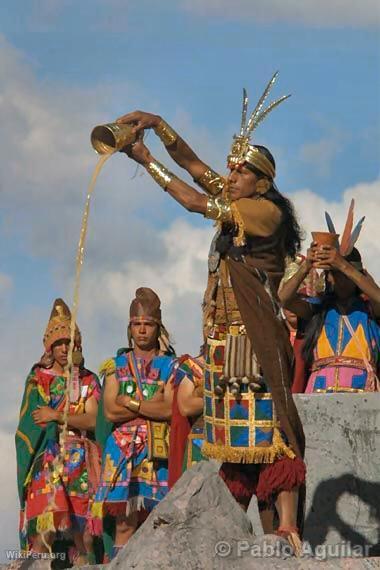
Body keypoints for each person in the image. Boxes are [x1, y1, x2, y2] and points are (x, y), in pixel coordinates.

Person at [117, 73, 306, 551]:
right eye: (233, 170)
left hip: (255, 340)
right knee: (235, 441)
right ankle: (235, 535)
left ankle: (288, 527)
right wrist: (157, 124)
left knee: (272, 432)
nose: (231, 176)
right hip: (224, 343)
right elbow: (196, 165)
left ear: (261, 180)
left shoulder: (263, 211)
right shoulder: (240, 199)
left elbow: (191, 197)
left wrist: (145, 160)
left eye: (241, 172)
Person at [90, 287, 176, 560]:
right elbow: (111, 412)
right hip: (121, 451)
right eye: (137, 324)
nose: (142, 330)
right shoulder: (115, 365)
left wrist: (132, 403)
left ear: (157, 327)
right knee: (124, 523)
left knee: (157, 520)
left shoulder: (170, 365)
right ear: (130, 328)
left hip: (156, 448)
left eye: (148, 325)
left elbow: (169, 409)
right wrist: (149, 406)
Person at [16, 299, 101, 565]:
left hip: (82, 463)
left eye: (71, 342)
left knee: (83, 536)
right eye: (60, 343)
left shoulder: (88, 379)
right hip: (48, 458)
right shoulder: (38, 379)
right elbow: (34, 423)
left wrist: (57, 415)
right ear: (50, 347)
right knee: (45, 529)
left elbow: (92, 420)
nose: (65, 348)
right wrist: (58, 421)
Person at [279, 202, 380, 394]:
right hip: (319, 393)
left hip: (362, 393)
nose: (337, 279)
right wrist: (307, 265)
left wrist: (342, 265)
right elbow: (284, 299)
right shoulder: (317, 310)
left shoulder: (369, 309)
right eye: (333, 273)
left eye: (343, 274)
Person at [168, 352, 204, 488]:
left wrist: (201, 395)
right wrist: (223, 399)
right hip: (202, 443)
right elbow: (186, 406)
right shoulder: (193, 366)